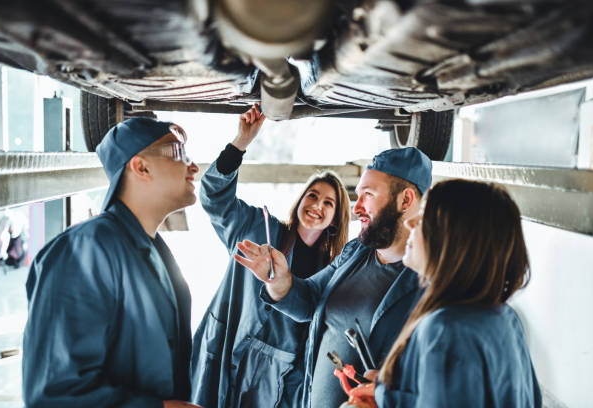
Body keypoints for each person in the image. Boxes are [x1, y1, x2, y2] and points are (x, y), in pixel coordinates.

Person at [22, 118, 201, 408]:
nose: (193, 166)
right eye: (178, 152)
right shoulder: (85, 250)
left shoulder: (152, 250)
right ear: (141, 167)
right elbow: (54, 394)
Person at [234, 147, 432, 408]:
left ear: (405, 200)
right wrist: (280, 281)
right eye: (358, 195)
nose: (357, 207)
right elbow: (310, 299)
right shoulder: (356, 252)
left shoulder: (432, 281)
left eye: (368, 195)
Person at [190, 104, 351, 408]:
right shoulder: (257, 228)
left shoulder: (332, 271)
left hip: (277, 375)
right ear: (300, 200)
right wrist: (240, 143)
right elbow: (213, 197)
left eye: (329, 203)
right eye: (312, 195)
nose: (317, 205)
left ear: (335, 219)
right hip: (226, 347)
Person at [347, 179, 542, 407]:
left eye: (424, 218)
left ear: (453, 240)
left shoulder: (444, 330)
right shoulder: (505, 318)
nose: (410, 223)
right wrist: (390, 395)